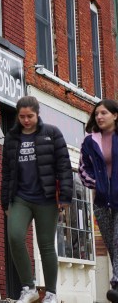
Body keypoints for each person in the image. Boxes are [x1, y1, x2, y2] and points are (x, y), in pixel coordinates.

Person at [1, 95, 73, 303]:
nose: (26, 120)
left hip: (46, 198)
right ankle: (28, 287)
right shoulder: (12, 138)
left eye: (30, 116)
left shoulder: (52, 134)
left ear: (37, 114)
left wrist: (65, 197)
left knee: (46, 245)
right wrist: (5, 201)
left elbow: (64, 167)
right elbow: (6, 172)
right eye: (22, 116)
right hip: (20, 197)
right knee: (14, 236)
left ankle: (50, 293)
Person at [78, 99, 118, 302]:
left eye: (104, 113)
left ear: (115, 115)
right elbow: (83, 168)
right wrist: (97, 183)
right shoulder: (89, 141)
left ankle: (117, 283)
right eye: (97, 114)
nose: (99, 117)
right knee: (111, 243)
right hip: (101, 201)